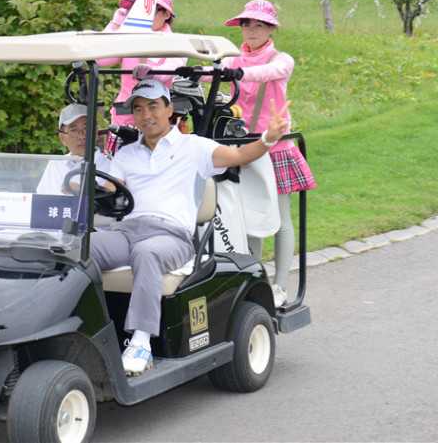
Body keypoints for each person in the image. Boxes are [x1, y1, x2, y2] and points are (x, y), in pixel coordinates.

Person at [92, 78, 290, 376]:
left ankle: (141, 341)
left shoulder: (194, 147)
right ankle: (85, 330)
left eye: (153, 107)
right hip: (128, 230)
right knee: (81, 249)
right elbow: (108, 188)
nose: (146, 115)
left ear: (170, 109)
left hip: (171, 235)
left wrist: (268, 139)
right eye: (139, 109)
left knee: (147, 254)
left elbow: (238, 156)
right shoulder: (126, 154)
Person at [221, 0, 317, 307]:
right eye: (247, 24)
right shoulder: (233, 59)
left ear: (270, 28)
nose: (251, 30)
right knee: (250, 218)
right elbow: (215, 72)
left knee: (280, 218)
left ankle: (279, 285)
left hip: (275, 149)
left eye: (258, 25)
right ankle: (254, 281)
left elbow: (269, 72)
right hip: (246, 147)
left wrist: (237, 74)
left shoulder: (281, 59)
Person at [96, 0, 186, 128]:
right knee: (121, 149)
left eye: (151, 11)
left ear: (166, 14)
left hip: (156, 115)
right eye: (139, 10)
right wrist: (116, 23)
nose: (145, 16)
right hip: (125, 112)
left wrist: (152, 73)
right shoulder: (130, 38)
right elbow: (101, 60)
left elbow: (170, 70)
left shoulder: (174, 42)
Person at [36, 104, 113, 195]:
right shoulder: (55, 164)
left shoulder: (111, 166)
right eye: (74, 130)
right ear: (62, 138)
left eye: (86, 128)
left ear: (95, 133)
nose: (81, 135)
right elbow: (42, 201)